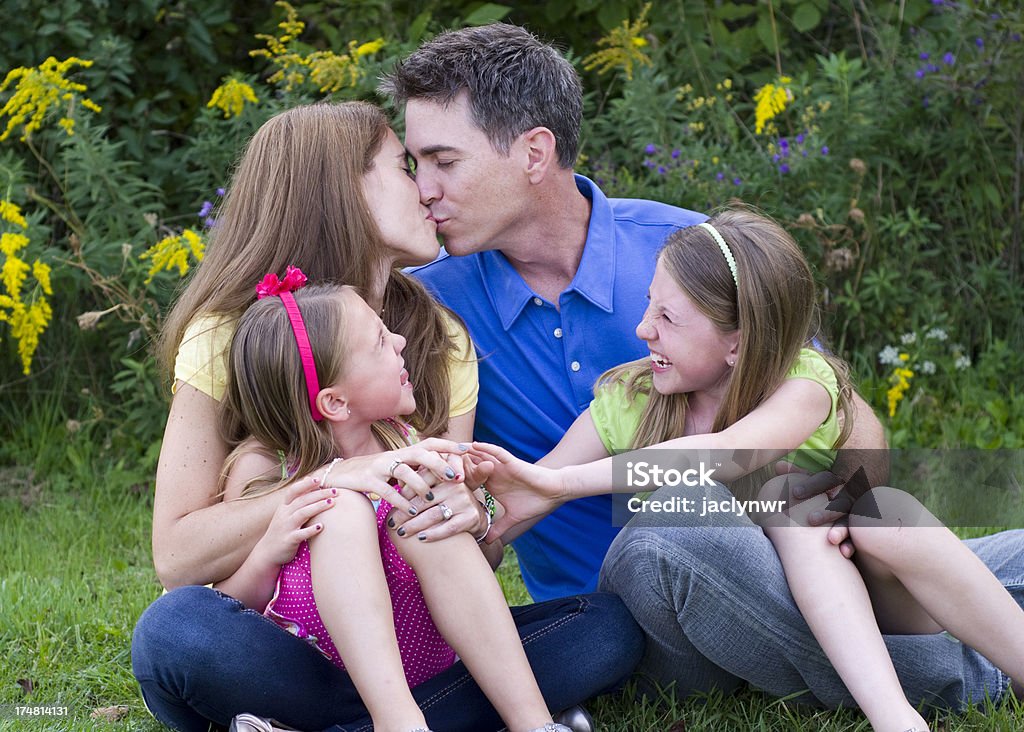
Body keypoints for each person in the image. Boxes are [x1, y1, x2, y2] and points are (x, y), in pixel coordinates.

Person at [380, 21, 1024, 715]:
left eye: (443, 161)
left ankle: (928, 623)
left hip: (795, 559)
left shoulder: (682, 253)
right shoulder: (428, 307)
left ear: (534, 151)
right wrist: (472, 519)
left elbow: (838, 412)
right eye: (415, 165)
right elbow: (492, 512)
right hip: (633, 610)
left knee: (943, 539)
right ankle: (964, 672)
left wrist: (839, 524)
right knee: (681, 518)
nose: (424, 190)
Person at [130, 101, 642, 732]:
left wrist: (472, 519)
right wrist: (330, 482)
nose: (427, 189)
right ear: (343, 193)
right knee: (175, 631)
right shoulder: (228, 337)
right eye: (402, 167)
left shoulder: (439, 339)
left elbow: (464, 558)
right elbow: (177, 556)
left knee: (603, 631)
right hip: (292, 651)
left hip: (415, 649)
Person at [468, 208, 1024, 732]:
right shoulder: (631, 397)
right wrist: (488, 516)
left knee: (860, 511)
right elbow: (532, 486)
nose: (642, 330)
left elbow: (721, 454)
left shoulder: (803, 384)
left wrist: (562, 486)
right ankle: (929, 690)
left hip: (860, 598)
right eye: (647, 306)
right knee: (786, 503)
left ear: (738, 342)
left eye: (667, 317)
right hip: (708, 625)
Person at [215, 275, 575, 732]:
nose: (401, 341)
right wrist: (268, 552)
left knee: (424, 511)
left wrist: (475, 511)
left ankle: (533, 725)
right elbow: (226, 612)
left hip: (430, 667)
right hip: (319, 681)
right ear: (336, 402)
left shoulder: (406, 445)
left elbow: (475, 565)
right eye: (381, 341)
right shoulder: (266, 471)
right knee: (337, 508)